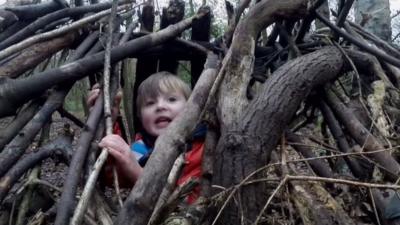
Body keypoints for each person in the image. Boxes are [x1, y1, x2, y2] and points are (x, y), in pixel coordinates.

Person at [88, 71, 205, 203]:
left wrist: (138, 173)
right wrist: (106, 121)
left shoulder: (203, 148)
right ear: (141, 117)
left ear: (191, 109)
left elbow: (188, 202)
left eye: (171, 99)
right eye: (150, 103)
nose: (160, 106)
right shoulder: (141, 148)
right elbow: (112, 178)